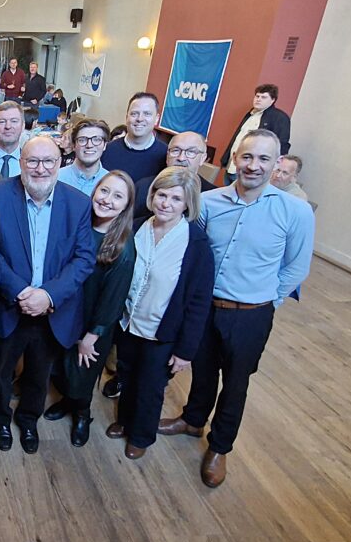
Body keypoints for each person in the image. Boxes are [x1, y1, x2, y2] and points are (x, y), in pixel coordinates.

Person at [158, 129, 314, 487]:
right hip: (208, 307)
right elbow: (193, 255)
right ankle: (193, 418)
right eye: (247, 157)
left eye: (263, 159)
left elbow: (296, 267)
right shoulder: (209, 203)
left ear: (277, 165)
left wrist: (266, 300)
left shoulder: (296, 211)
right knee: (203, 369)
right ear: (234, 160)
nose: (253, 166)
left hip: (251, 314)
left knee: (236, 382)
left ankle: (220, 446)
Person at [0, 136, 95, 454]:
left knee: (38, 372)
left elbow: (84, 258)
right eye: (32, 161)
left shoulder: (78, 203)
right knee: (1, 369)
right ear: (21, 162)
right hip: (9, 303)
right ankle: (1, 418)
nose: (40, 168)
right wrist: (20, 291)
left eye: (49, 161)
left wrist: (47, 295)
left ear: (61, 164)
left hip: (51, 310)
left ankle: (29, 419)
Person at [106, 167, 215, 460]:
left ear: (187, 204)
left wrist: (185, 351)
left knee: (151, 386)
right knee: (126, 375)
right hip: (129, 323)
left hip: (162, 332)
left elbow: (198, 302)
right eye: (161, 194)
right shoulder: (136, 226)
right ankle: (125, 420)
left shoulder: (197, 244)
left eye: (175, 199)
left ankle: (141, 434)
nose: (166, 203)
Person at [43, 172, 136, 446]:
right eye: (104, 191)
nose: (107, 200)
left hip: (92, 326)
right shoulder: (80, 227)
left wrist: (91, 337)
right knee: (62, 368)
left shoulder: (121, 248)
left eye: (117, 196)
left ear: (126, 205)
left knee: (83, 375)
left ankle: (82, 413)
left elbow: (113, 301)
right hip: (65, 315)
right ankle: (67, 402)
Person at [131, 131, 217, 222]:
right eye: (175, 150)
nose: (181, 158)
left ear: (203, 158)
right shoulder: (143, 187)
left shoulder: (211, 197)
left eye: (191, 152)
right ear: (167, 156)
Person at [221, 84, 291, 184]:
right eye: (257, 96)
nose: (258, 99)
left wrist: (274, 170)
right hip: (232, 165)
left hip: (251, 170)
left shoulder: (280, 118)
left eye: (263, 97)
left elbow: (282, 146)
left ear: (272, 100)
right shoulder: (250, 114)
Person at [101, 92, 168, 184]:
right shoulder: (107, 150)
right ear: (126, 117)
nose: (140, 119)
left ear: (156, 119)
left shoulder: (165, 155)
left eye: (147, 114)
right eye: (134, 113)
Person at [58, 119, 111, 196]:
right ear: (73, 145)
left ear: (105, 145)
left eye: (96, 140)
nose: (89, 145)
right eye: (82, 140)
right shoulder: (57, 178)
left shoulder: (111, 182)